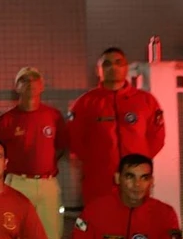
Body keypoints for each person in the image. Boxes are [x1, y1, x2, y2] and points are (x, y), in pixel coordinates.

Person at [0, 67, 71, 239]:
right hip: (17, 183)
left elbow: (61, 147)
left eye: (34, 79)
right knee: (11, 233)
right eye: (24, 80)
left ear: (42, 85)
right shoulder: (6, 121)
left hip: (47, 184)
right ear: (16, 87)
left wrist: (43, 167)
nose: (30, 83)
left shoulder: (53, 116)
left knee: (52, 232)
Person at [68, 47, 164, 206]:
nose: (113, 67)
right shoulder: (85, 103)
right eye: (107, 64)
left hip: (136, 180)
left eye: (118, 63)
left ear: (126, 67)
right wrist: (98, 162)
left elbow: (157, 137)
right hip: (99, 180)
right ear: (98, 70)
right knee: (101, 224)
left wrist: (138, 161)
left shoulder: (146, 101)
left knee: (136, 223)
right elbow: (75, 140)